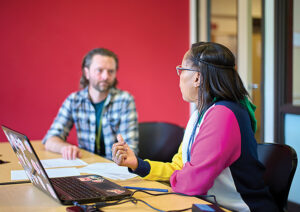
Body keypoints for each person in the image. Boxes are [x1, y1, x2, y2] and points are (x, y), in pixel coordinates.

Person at [112, 42, 279, 212]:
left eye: (182, 69)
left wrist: (182, 177)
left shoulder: (223, 115)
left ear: (197, 77)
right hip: (210, 206)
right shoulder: (201, 114)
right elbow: (180, 169)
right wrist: (137, 164)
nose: (179, 76)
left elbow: (192, 183)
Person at [43, 48, 138, 160]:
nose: (105, 76)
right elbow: (50, 139)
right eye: (99, 70)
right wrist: (65, 148)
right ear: (87, 73)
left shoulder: (125, 100)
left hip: (115, 167)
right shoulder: (74, 100)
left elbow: (130, 150)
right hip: (86, 167)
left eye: (110, 71)